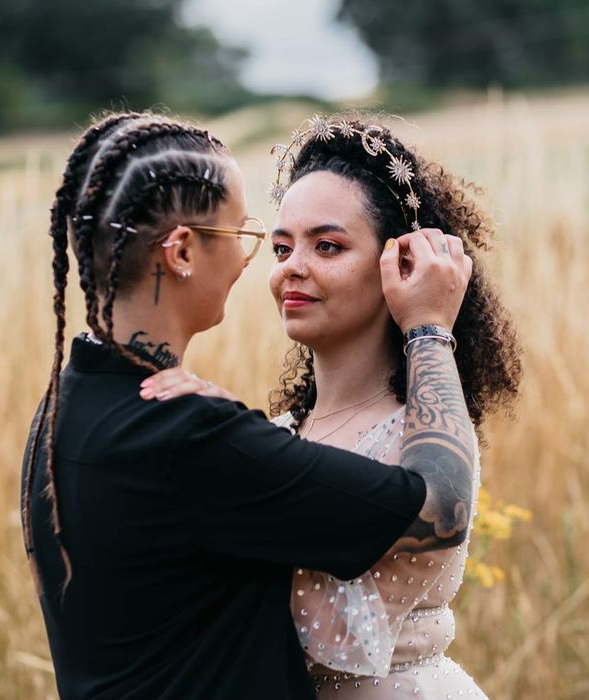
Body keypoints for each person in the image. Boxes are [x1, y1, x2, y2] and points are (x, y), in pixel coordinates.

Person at [21, 111, 479, 700]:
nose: (263, 263)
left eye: (327, 245)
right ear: (181, 251)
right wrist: (429, 330)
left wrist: (232, 427)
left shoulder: (62, 409)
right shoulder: (189, 434)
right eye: (252, 239)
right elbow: (440, 505)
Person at [143, 115, 522, 697]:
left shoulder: (419, 440)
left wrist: (427, 322)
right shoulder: (279, 432)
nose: (292, 266)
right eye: (281, 246)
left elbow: (321, 630)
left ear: (401, 264)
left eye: (327, 246)